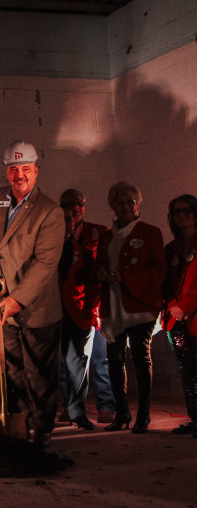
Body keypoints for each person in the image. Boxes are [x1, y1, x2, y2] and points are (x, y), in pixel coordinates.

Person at [0, 141, 64, 446]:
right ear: (7, 171)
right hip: (0, 304)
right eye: (13, 169)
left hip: (36, 309)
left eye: (26, 168)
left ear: (36, 171)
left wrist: (16, 299)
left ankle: (43, 428)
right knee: (11, 370)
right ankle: (19, 424)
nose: (19, 174)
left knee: (39, 373)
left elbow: (46, 263)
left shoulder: (49, 211)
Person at [96, 181, 166, 433]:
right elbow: (99, 265)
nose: (126, 206)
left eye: (130, 201)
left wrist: (127, 278)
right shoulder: (107, 237)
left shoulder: (150, 232)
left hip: (141, 305)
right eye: (120, 202)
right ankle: (122, 413)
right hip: (113, 306)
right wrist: (102, 273)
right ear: (113, 207)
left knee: (140, 356)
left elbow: (159, 269)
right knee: (113, 361)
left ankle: (144, 415)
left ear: (138, 204)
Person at [56, 189, 106, 430]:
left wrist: (91, 309)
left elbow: (94, 279)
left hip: (79, 312)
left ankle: (78, 413)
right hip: (51, 314)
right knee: (54, 366)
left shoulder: (87, 245)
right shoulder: (46, 246)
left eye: (78, 205)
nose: (72, 215)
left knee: (79, 366)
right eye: (64, 215)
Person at [163, 194, 197, 436]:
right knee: (187, 371)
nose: (182, 215)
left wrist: (185, 305)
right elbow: (166, 283)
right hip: (175, 319)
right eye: (176, 212)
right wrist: (174, 306)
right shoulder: (171, 248)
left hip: (193, 315)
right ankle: (195, 418)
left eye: (187, 210)